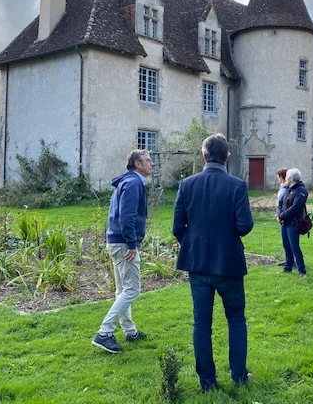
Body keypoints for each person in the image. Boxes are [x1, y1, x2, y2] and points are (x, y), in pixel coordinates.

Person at [173, 133, 254, 392]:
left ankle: (207, 382)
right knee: (236, 320)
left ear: (204, 156)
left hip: (198, 264)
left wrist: (194, 242)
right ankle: (239, 375)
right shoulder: (237, 185)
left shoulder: (187, 184)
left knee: (201, 324)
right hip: (228, 262)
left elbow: (177, 227)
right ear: (227, 157)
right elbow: (245, 225)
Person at [92, 150, 153, 354]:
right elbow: (126, 216)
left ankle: (130, 331)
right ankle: (104, 333)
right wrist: (132, 243)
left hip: (117, 241)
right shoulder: (134, 183)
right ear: (137, 164)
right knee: (132, 290)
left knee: (122, 290)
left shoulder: (128, 182)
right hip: (124, 243)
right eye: (148, 161)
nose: (152, 164)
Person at [277, 168, 308, 279]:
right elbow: (281, 203)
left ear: (291, 178)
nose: (285, 178)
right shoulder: (288, 189)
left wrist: (281, 216)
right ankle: (287, 267)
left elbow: (295, 208)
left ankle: (302, 271)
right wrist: (279, 215)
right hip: (285, 222)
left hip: (293, 222)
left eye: (287, 176)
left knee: (294, 247)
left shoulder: (301, 191)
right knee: (286, 245)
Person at [275, 168, 289, 267]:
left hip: (285, 216)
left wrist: (279, 215)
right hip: (282, 216)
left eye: (278, 176)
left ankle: (291, 262)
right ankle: (288, 260)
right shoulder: (282, 187)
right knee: (285, 241)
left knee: (288, 241)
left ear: (281, 177)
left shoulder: (286, 188)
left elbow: (281, 204)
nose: (277, 178)